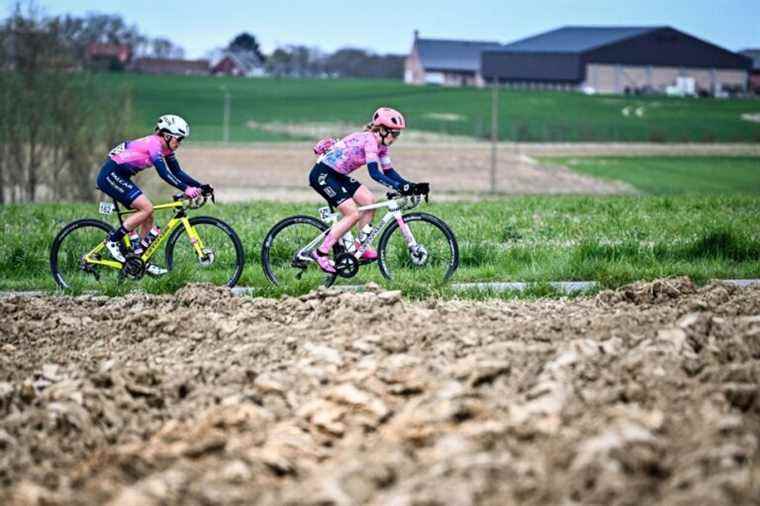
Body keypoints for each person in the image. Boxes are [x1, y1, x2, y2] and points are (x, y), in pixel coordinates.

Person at [308, 107, 427, 273]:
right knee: (352, 214)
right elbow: (374, 173)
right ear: (383, 130)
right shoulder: (370, 140)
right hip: (323, 174)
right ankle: (321, 253)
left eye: (398, 134)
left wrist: (410, 186)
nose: (396, 137)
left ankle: (360, 246)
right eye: (394, 133)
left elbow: (389, 172)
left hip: (337, 174)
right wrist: (400, 187)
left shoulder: (382, 146)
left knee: (369, 201)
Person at [97, 114, 206, 275]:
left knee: (149, 216)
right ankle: (112, 241)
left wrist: (200, 186)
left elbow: (177, 172)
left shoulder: (166, 149)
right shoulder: (154, 144)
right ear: (167, 136)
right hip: (110, 175)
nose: (180, 143)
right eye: (179, 139)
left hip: (121, 176)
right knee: (146, 208)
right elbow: (164, 173)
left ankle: (140, 259)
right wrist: (186, 189)